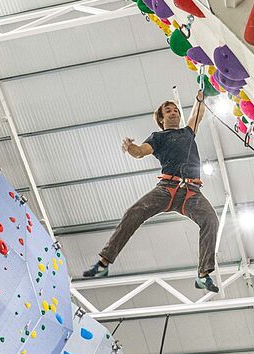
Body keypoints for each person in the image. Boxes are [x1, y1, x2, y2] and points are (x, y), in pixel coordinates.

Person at [82, 92, 220, 292]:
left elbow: (197, 115)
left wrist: (200, 100)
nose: (173, 113)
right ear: (162, 119)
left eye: (175, 110)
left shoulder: (188, 132)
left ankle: (203, 275)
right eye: (168, 111)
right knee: (134, 212)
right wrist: (130, 147)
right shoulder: (158, 138)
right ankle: (104, 263)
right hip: (167, 189)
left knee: (211, 220)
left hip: (192, 193)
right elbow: (140, 152)